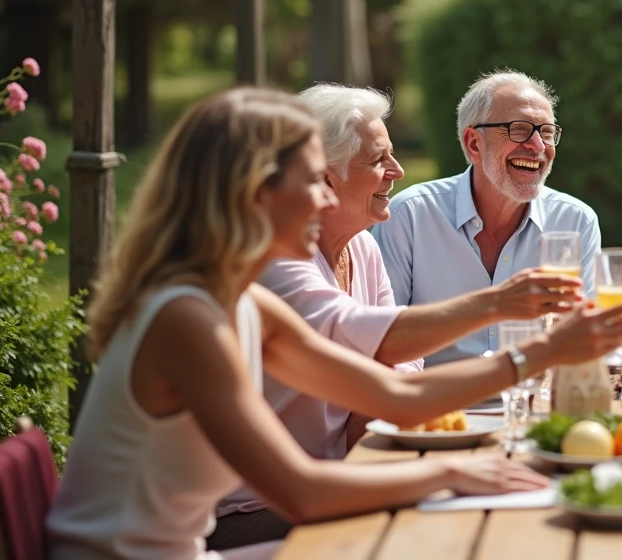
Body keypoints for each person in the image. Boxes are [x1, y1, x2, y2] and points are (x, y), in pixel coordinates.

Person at [46, 88, 622, 560]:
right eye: (311, 180)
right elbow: (301, 491)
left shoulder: (240, 301)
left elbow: (396, 393)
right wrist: (452, 472)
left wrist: (542, 353)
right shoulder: (188, 318)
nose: (325, 201)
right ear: (251, 191)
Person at [210, 83, 587, 550]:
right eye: (376, 161)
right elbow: (382, 349)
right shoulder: (269, 273)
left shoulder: (361, 246)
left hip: (327, 481)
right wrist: (507, 310)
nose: (398, 171)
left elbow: (392, 382)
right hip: (246, 515)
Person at [374, 70, 600, 366]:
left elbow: (582, 338)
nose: (538, 146)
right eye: (519, 129)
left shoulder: (575, 221)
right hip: (434, 403)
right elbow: (383, 341)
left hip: (536, 404)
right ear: (473, 144)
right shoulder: (409, 216)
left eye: (546, 132)